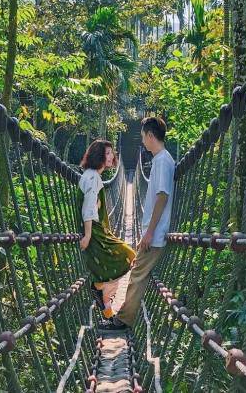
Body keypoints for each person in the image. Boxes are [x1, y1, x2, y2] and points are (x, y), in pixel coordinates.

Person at [104, 116, 175, 330]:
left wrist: (149, 233)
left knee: (136, 275)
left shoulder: (162, 160)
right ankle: (123, 318)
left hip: (155, 234)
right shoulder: (161, 159)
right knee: (138, 273)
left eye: (143, 136)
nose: (142, 141)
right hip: (154, 232)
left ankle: (122, 320)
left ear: (150, 135)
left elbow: (162, 196)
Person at [78, 139, 136, 320]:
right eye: (108, 153)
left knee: (109, 269)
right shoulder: (92, 177)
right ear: (98, 155)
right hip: (96, 232)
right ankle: (99, 289)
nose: (112, 156)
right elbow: (88, 208)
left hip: (98, 230)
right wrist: (88, 235)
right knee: (129, 256)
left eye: (112, 152)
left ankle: (107, 309)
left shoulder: (92, 175)